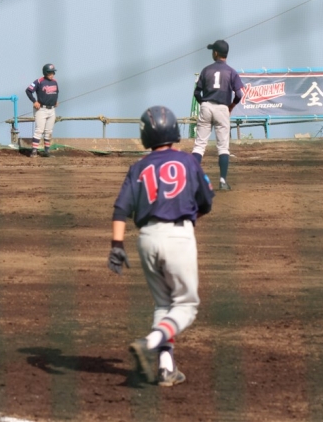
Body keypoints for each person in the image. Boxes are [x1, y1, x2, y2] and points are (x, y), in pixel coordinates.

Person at [108, 105, 215, 386]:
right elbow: (206, 202)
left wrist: (117, 245)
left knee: (163, 304)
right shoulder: (188, 161)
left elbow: (121, 209)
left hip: (146, 239)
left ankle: (166, 368)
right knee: (186, 305)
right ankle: (150, 342)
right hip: (178, 236)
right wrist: (186, 218)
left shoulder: (139, 167)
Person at [192, 39, 244, 191]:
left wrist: (203, 104)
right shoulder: (231, 72)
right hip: (222, 108)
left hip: (207, 106)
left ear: (215, 53)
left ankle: (192, 180)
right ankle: (222, 181)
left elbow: (197, 93)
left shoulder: (206, 70)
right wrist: (231, 106)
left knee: (199, 145)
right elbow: (239, 95)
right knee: (223, 147)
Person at [25, 63, 59, 158]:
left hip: (51, 109)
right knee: (39, 130)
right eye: (50, 72)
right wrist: (34, 101)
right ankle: (34, 151)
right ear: (45, 72)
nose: (52, 74)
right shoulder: (39, 81)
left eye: (53, 72)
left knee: (49, 131)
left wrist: (55, 101)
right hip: (41, 109)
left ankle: (47, 151)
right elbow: (28, 91)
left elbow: (56, 92)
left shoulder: (55, 82)